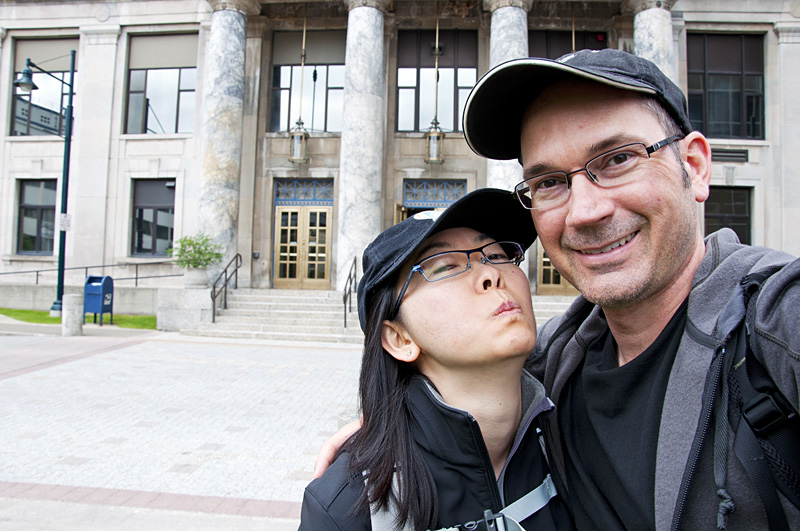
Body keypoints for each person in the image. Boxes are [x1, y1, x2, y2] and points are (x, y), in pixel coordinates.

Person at [316, 50, 800, 530]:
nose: (585, 212)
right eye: (549, 182)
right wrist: (396, 424)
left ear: (694, 166)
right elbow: (459, 384)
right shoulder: (558, 361)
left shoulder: (777, 327)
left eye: (618, 159)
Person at [300, 188, 574, 531]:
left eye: (497, 254)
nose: (491, 274)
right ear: (400, 339)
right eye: (445, 266)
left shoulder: (576, 432)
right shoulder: (347, 508)